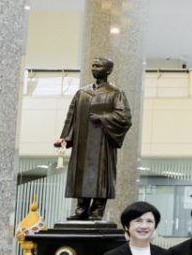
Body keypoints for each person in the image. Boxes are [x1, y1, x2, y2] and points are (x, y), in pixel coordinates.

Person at [54, 56, 133, 221]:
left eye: (98, 66)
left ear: (108, 70)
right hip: (82, 143)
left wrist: (102, 118)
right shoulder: (82, 93)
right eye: (93, 65)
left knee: (100, 176)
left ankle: (97, 210)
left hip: (102, 144)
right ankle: (81, 208)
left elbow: (124, 118)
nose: (94, 68)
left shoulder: (116, 93)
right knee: (81, 174)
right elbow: (71, 117)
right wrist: (65, 138)